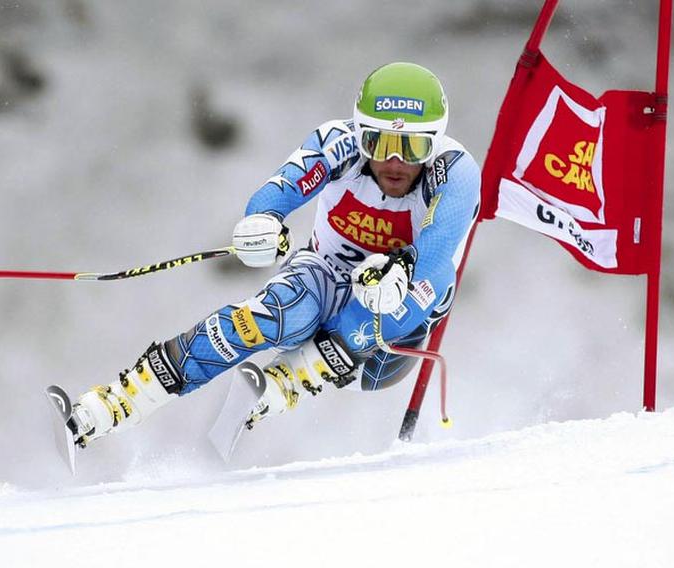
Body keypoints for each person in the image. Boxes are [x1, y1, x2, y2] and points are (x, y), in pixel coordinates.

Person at [67, 62, 481, 447]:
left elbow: (439, 244)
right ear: (360, 134)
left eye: (411, 149)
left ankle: (294, 377)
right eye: (379, 141)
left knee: (429, 280)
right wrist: (263, 220)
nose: (394, 161)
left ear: (435, 142)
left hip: (385, 344)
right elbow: (284, 187)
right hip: (326, 274)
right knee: (278, 314)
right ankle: (122, 400)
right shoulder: (339, 143)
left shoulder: (456, 171)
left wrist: (403, 269)